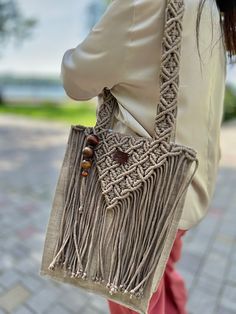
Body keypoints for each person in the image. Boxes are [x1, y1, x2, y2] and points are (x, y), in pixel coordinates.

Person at [60, 0, 236, 313]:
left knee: (134, 302)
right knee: (163, 289)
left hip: (135, 200)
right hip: (183, 192)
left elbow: (78, 78)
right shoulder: (212, 9)